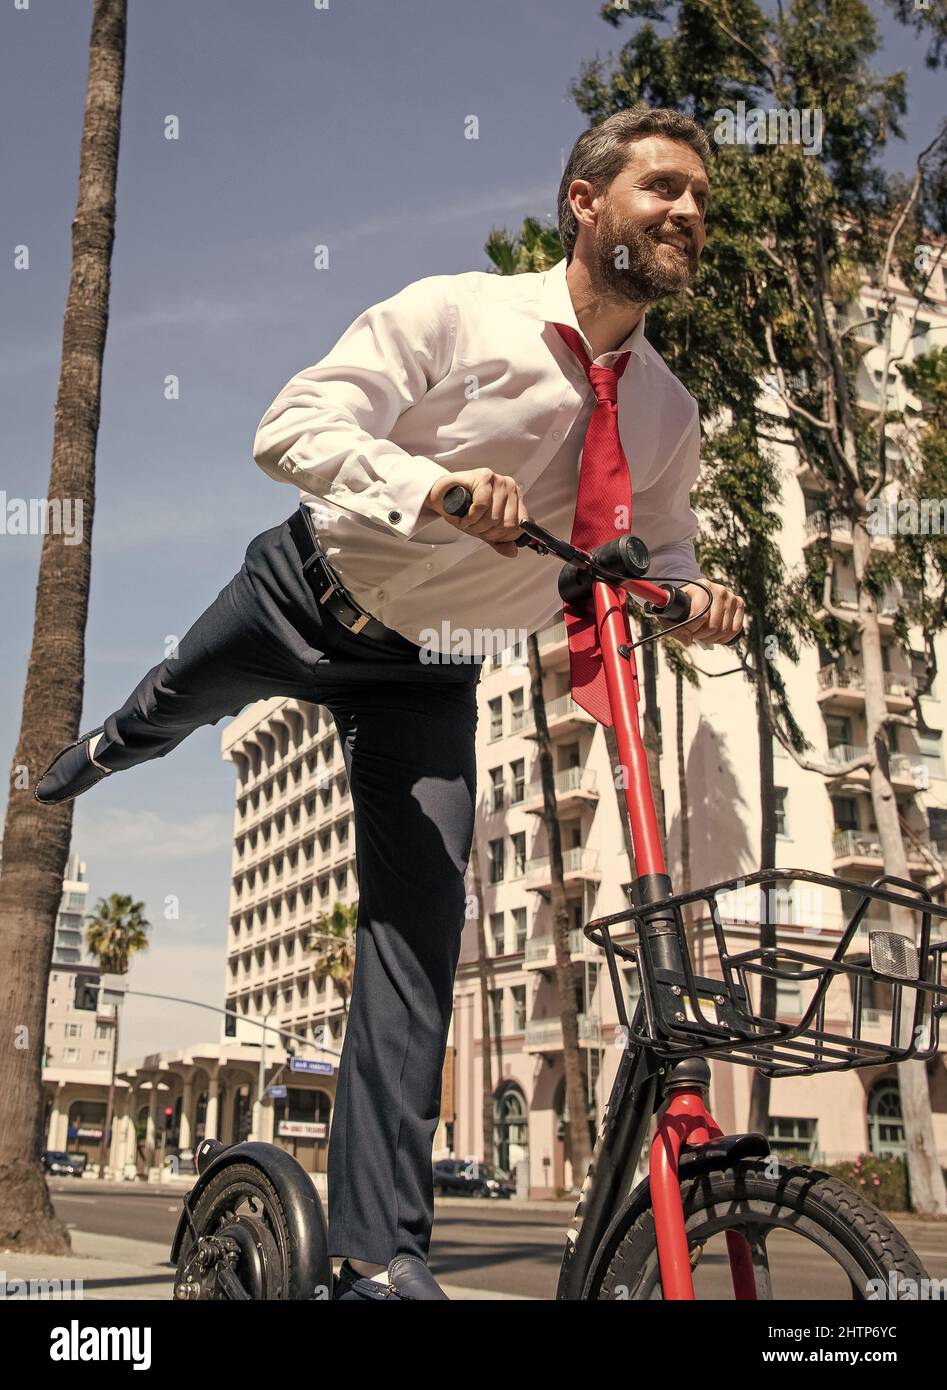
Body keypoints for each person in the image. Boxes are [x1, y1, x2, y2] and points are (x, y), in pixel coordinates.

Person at [35, 107, 744, 1301]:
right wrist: (433, 484)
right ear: (584, 201)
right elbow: (291, 427)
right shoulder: (457, 312)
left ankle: (379, 1254)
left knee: (413, 944)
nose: (685, 215)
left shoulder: (666, 411)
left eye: (699, 201)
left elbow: (654, 555)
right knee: (175, 698)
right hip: (304, 595)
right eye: (661, 189)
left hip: (431, 673)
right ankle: (107, 743)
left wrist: (691, 599)